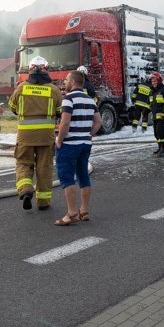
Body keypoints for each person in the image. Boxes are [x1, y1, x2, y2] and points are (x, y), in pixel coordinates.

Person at [9, 56, 63, 211]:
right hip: (46, 137)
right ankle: (43, 202)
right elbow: (60, 111)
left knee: (23, 163)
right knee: (44, 168)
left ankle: (26, 190)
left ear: (30, 69)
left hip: (25, 136)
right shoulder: (54, 90)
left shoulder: (21, 88)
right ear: (46, 69)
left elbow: (12, 107)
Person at [53, 70, 101, 226]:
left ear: (73, 82)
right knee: (83, 176)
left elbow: (65, 123)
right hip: (85, 145)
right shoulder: (90, 100)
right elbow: (99, 122)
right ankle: (84, 211)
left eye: (67, 79)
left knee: (67, 177)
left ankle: (72, 213)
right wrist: (89, 135)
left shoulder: (68, 99)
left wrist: (59, 140)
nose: (65, 82)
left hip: (69, 145)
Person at [149, 71, 164, 156]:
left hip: (162, 116)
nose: (153, 83)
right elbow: (150, 104)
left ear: (159, 81)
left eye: (155, 81)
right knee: (156, 133)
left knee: (160, 131)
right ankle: (159, 146)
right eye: (152, 81)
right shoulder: (152, 91)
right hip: (155, 116)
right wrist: (145, 112)